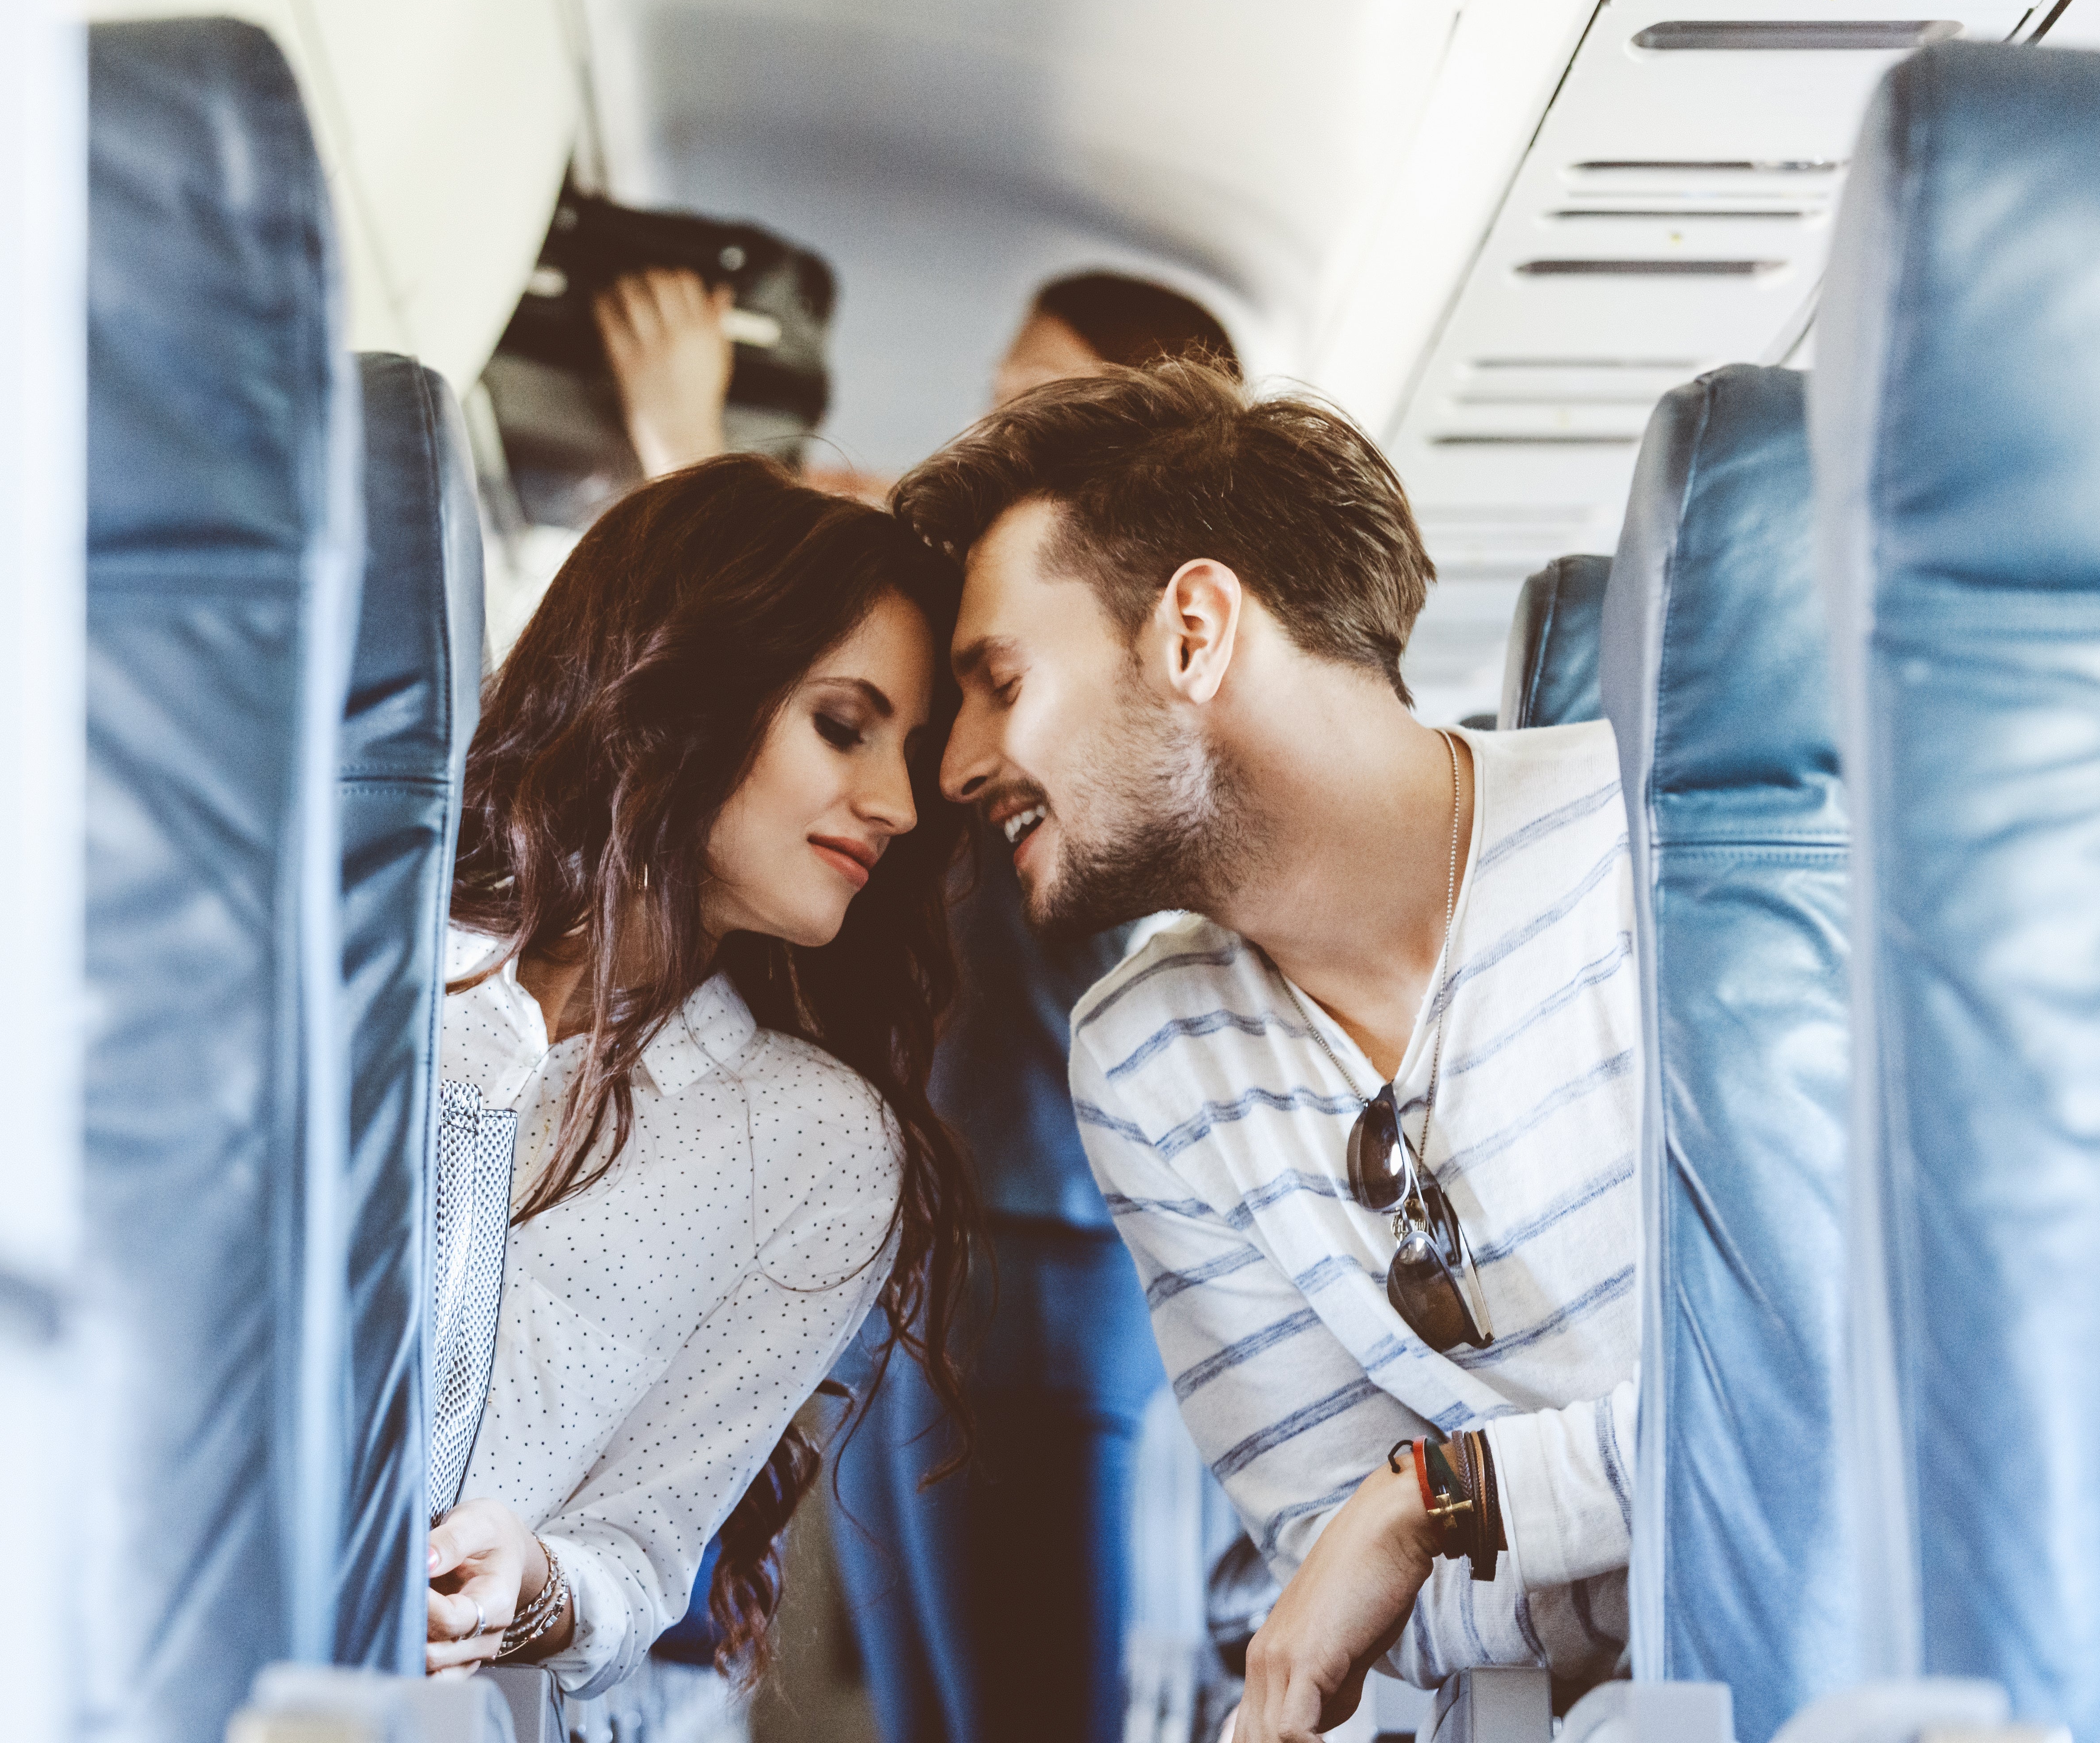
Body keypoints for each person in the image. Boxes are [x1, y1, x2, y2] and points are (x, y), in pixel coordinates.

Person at [896, 358, 1640, 1736]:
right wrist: (1592, 1525)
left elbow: (1844, 1393)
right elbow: (1332, 1559)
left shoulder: (1654, 866)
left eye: (998, 682)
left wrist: (1437, 1501)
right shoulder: (1148, 1059)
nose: (952, 768)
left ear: (1191, 630)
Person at [596, 264, 1253, 1743]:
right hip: (933, 1260)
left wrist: (700, 459)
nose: (987, 432)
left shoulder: (1118, 679)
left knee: (1024, 1718)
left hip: (1047, 1263)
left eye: (1030, 403)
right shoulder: (996, 663)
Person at [419, 456, 981, 1706]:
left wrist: (534, 1589)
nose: (892, 803)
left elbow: (643, 1551)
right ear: (683, 696)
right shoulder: (364, 964)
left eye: (915, 754)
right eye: (843, 726)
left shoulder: (817, 1146)